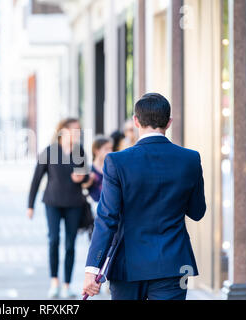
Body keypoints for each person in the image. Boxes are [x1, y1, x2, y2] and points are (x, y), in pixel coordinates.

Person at [83, 93, 206, 300]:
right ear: (169, 122)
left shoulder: (117, 161)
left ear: (136, 121)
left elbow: (107, 219)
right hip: (173, 263)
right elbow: (197, 212)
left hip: (127, 264)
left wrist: (92, 270)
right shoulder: (190, 159)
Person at [27, 118, 89, 299]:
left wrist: (82, 179)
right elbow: (36, 179)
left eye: (79, 130)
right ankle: (54, 281)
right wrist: (30, 205)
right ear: (63, 131)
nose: (77, 133)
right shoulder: (50, 151)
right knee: (53, 240)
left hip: (74, 203)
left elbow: (86, 177)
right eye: (74, 130)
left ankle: (67, 285)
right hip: (52, 202)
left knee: (70, 245)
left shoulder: (80, 152)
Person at [82, 136, 113, 203]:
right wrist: (89, 180)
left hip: (110, 206)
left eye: (111, 148)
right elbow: (82, 187)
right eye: (106, 149)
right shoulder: (89, 168)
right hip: (94, 205)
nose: (110, 151)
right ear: (96, 151)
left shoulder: (112, 168)